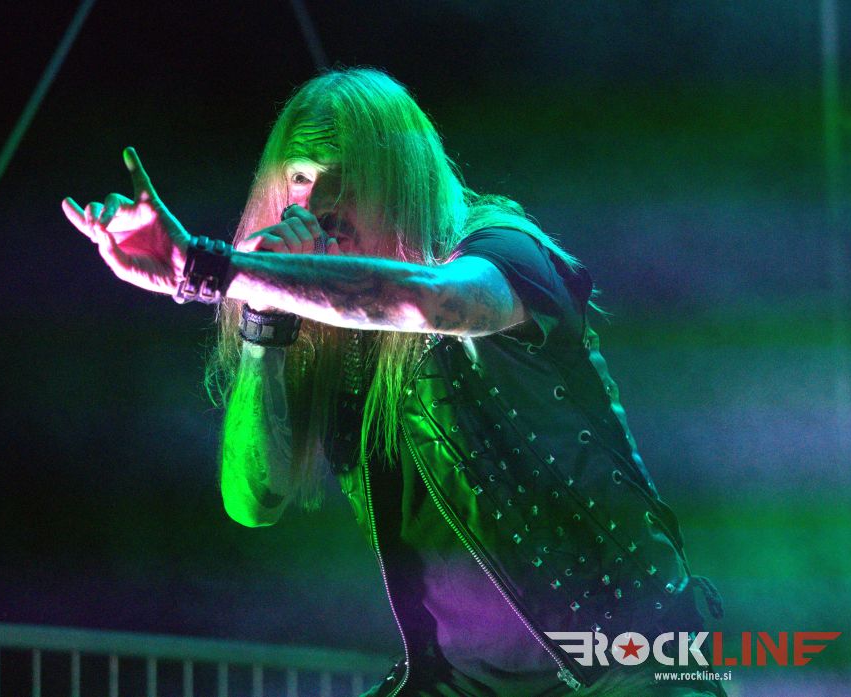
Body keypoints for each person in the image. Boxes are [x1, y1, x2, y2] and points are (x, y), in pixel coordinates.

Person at [64, 68, 726, 696]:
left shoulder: (502, 247)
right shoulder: (319, 328)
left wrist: (211, 268)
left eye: (346, 180)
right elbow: (253, 500)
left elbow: (431, 303)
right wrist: (263, 314)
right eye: (301, 177)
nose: (319, 204)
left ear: (400, 180)